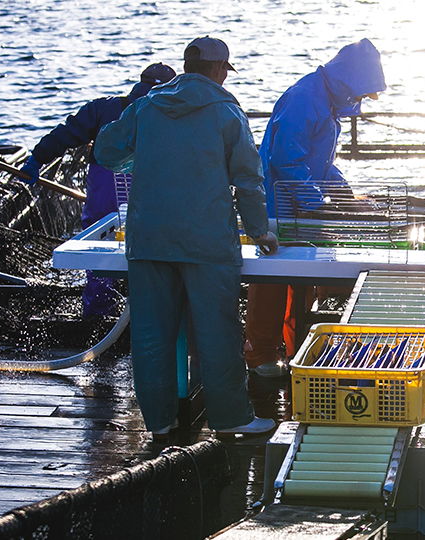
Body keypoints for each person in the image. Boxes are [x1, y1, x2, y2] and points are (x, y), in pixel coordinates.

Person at [94, 36, 279, 439]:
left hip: (148, 240)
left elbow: (106, 150)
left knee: (150, 335)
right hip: (207, 242)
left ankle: (159, 424)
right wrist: (259, 230)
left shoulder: (146, 104)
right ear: (218, 70)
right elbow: (248, 179)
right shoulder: (227, 111)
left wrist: (137, 155)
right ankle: (232, 418)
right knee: (217, 331)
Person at [245, 38, 386, 378]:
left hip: (300, 207)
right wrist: (318, 203)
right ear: (349, 82)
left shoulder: (325, 98)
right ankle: (261, 356)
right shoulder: (304, 98)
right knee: (272, 280)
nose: (360, 101)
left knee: (302, 281)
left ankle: (298, 351)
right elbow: (285, 158)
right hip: (279, 208)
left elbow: (318, 163)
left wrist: (344, 194)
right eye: (361, 94)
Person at [20, 62, 177, 317]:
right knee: (154, 252)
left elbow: (66, 134)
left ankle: (98, 315)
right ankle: (151, 311)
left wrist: (37, 158)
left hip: (105, 193)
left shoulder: (104, 107)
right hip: (151, 193)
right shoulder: (172, 113)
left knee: (99, 250)